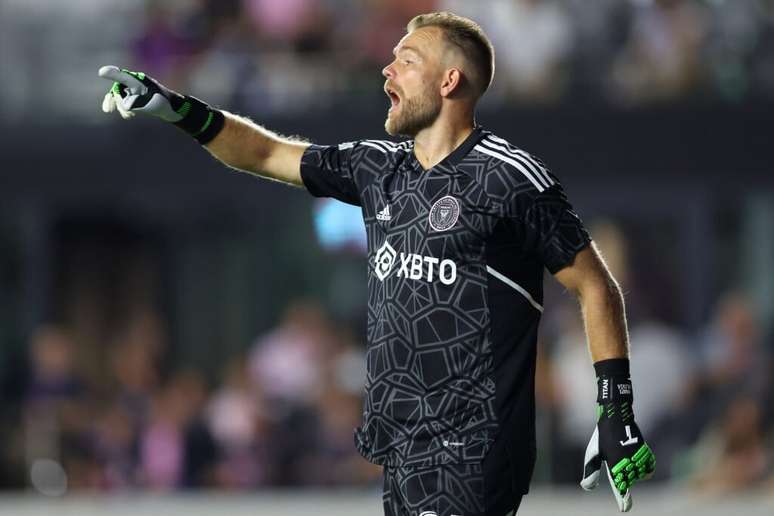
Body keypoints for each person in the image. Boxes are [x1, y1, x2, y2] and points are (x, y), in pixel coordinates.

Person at [98, 11, 655, 515]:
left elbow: (596, 286)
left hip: (473, 447)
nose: (387, 70)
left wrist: (615, 410)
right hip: (401, 450)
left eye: (406, 60)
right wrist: (176, 109)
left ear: (449, 81)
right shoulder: (376, 168)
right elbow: (266, 152)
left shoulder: (509, 178)